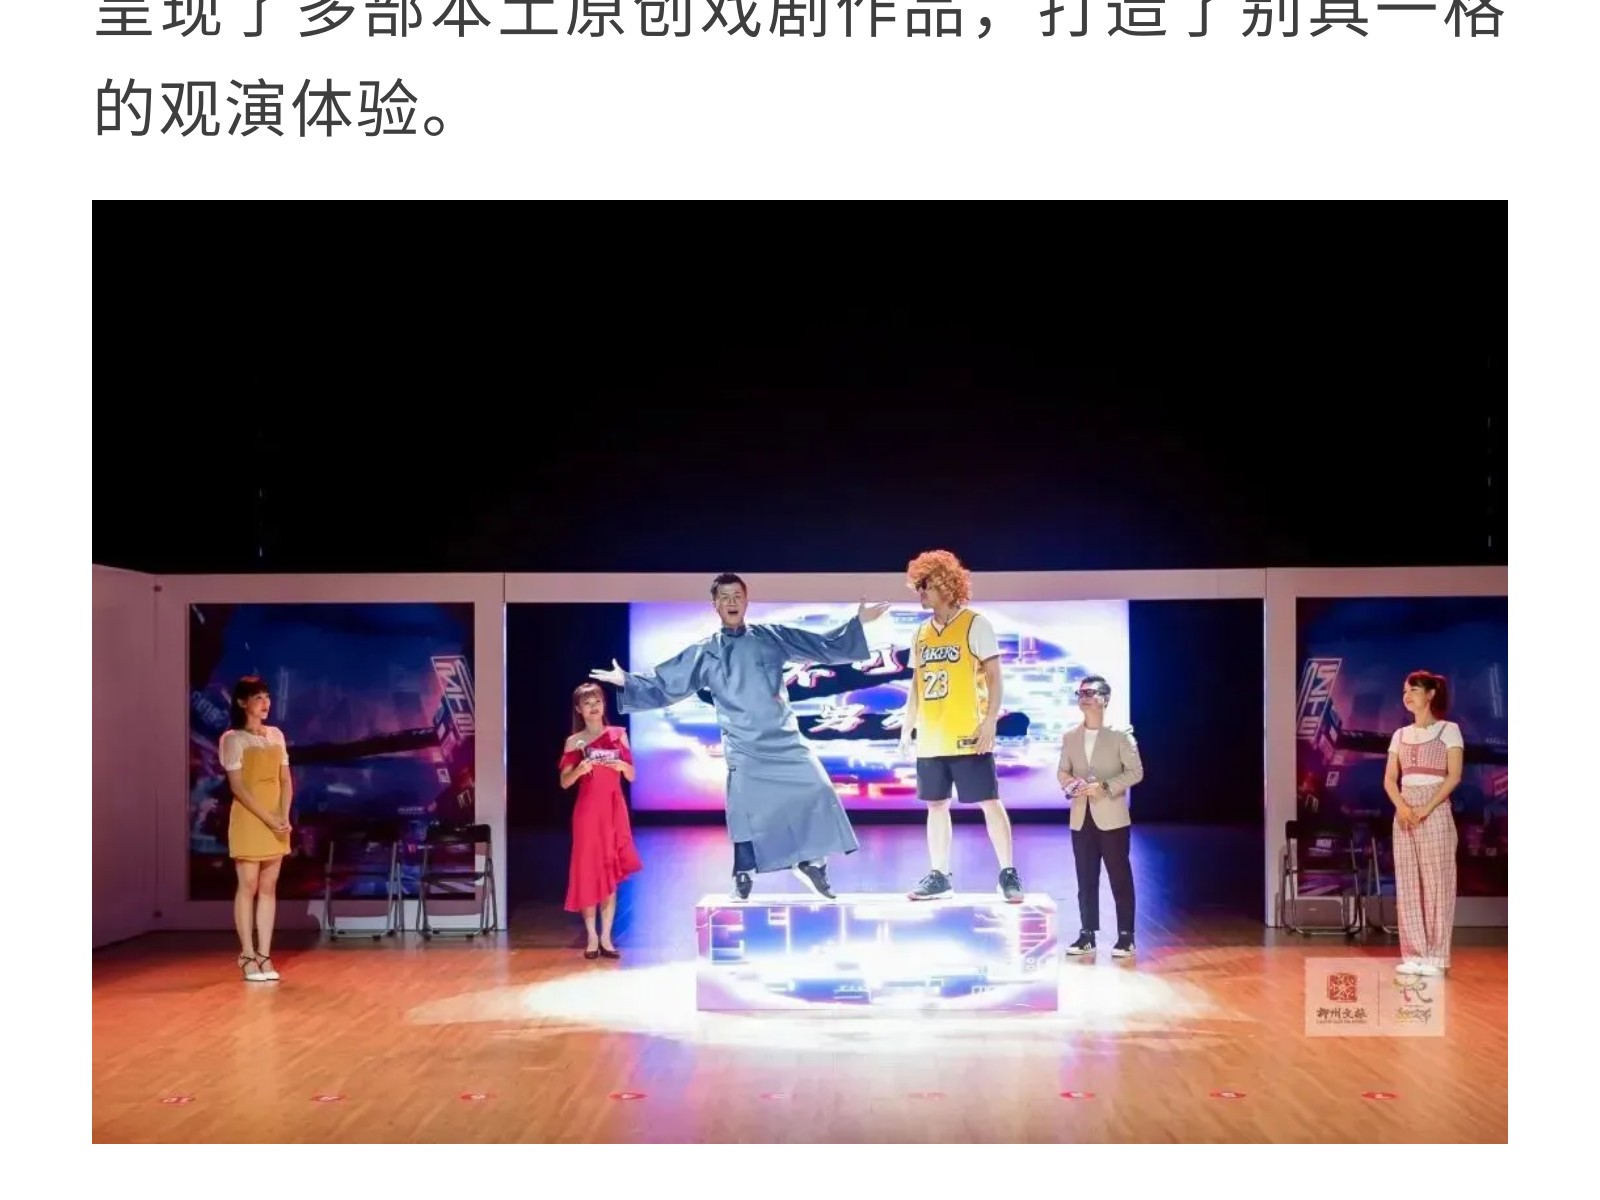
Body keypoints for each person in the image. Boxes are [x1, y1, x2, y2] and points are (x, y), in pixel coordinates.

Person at [591, 573, 887, 901]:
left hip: (785, 738)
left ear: (746, 601)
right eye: (725, 597)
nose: (732, 602)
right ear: (715, 604)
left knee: (819, 790)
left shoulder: (771, 636)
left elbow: (820, 645)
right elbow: (666, 683)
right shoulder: (706, 652)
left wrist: (858, 623)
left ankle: (812, 862)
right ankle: (743, 872)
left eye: (737, 596)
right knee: (745, 807)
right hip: (743, 743)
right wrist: (627, 681)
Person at [898, 549, 1024, 903]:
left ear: (947, 585)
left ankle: (1008, 872)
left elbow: (995, 677)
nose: (921, 592)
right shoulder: (921, 633)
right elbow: (916, 686)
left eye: (926, 585)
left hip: (968, 734)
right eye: (918, 585)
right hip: (931, 738)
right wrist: (907, 727)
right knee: (935, 805)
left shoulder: (975, 624)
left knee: (989, 801)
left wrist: (990, 722)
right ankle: (939, 875)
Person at [1056, 675, 1143, 958]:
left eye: (1090, 693)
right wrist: (1070, 784)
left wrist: (1104, 787)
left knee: (1119, 877)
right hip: (1081, 816)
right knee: (1085, 878)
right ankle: (1087, 935)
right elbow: (1063, 770)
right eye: (1080, 693)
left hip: (1112, 817)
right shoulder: (1070, 737)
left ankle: (1126, 936)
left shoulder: (1120, 735)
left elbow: (1135, 772)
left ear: (1105, 699)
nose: (1083, 697)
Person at [1384, 670, 1463, 976]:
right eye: (1405, 691)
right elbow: (1390, 779)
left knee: (1437, 883)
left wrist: (1427, 808)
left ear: (1430, 694)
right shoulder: (1399, 735)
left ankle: (1436, 957)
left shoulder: (1449, 730)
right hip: (1405, 810)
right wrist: (1403, 807)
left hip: (1435, 808)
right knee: (1408, 883)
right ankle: (1414, 954)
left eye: (1414, 690)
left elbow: (1453, 776)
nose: (1407, 695)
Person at [558, 682, 643, 959]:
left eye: (597, 702)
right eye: (587, 703)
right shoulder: (574, 742)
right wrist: (580, 770)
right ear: (578, 709)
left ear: (604, 705)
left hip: (613, 810)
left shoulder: (618, 735)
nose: (594, 707)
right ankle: (591, 937)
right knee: (587, 870)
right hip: (587, 813)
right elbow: (564, 783)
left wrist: (623, 766)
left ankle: (606, 937)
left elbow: (632, 775)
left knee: (609, 870)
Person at [219, 675, 292, 982]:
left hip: (277, 820)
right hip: (250, 819)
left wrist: (283, 816)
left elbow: (285, 779)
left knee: (269, 888)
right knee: (247, 886)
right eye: (258, 697)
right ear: (242, 702)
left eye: (267, 696)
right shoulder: (233, 739)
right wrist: (268, 818)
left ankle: (264, 955)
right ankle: (247, 955)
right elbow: (238, 787)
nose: (265, 703)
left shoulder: (276, 735)